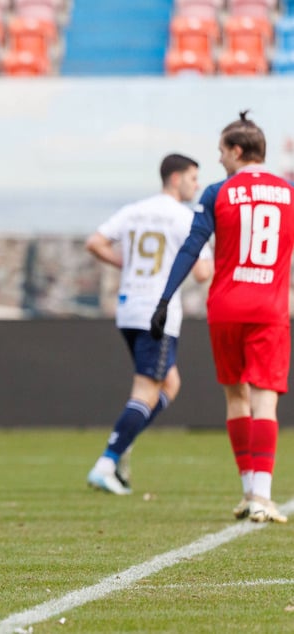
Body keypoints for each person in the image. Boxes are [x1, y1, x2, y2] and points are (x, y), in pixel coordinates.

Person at [151, 111, 294, 523]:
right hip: (269, 309)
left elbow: (191, 248)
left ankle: (248, 489)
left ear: (236, 150)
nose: (218, 160)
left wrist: (164, 299)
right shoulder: (288, 193)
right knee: (265, 399)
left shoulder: (217, 193)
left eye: (220, 152)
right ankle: (263, 497)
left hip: (227, 308)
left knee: (236, 397)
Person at [85, 154, 213, 495]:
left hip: (128, 309)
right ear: (175, 178)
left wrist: (124, 265)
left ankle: (124, 442)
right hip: (158, 311)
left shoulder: (134, 210)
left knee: (169, 383)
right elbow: (201, 272)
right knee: (146, 389)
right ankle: (108, 460)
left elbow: (94, 242)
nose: (196, 185)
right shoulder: (184, 218)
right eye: (192, 177)